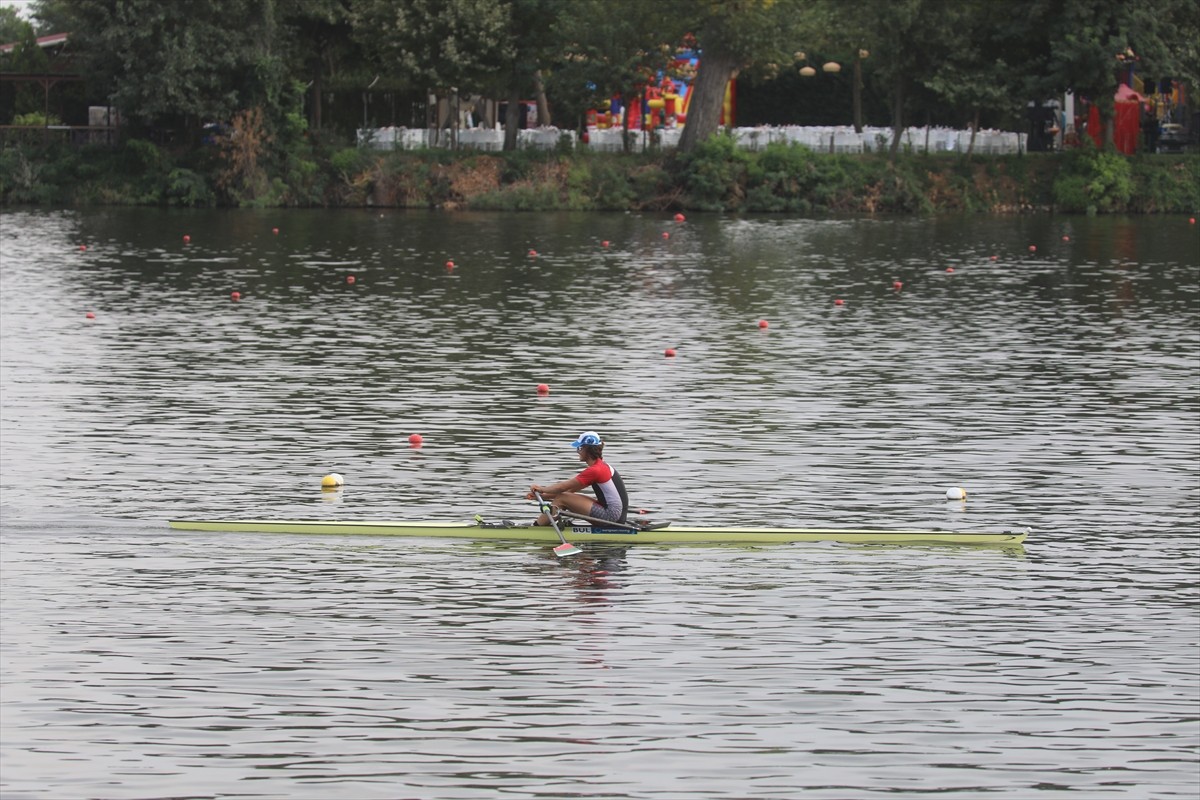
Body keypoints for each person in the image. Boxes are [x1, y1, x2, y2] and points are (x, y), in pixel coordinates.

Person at [527, 430, 629, 527]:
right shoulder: (601, 466)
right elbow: (570, 490)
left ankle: (536, 527)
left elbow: (562, 488)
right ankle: (540, 525)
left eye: (580, 448)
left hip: (612, 516)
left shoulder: (596, 470)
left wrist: (541, 489)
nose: (578, 452)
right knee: (565, 496)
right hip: (617, 514)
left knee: (563, 498)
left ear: (588, 449)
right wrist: (542, 496)